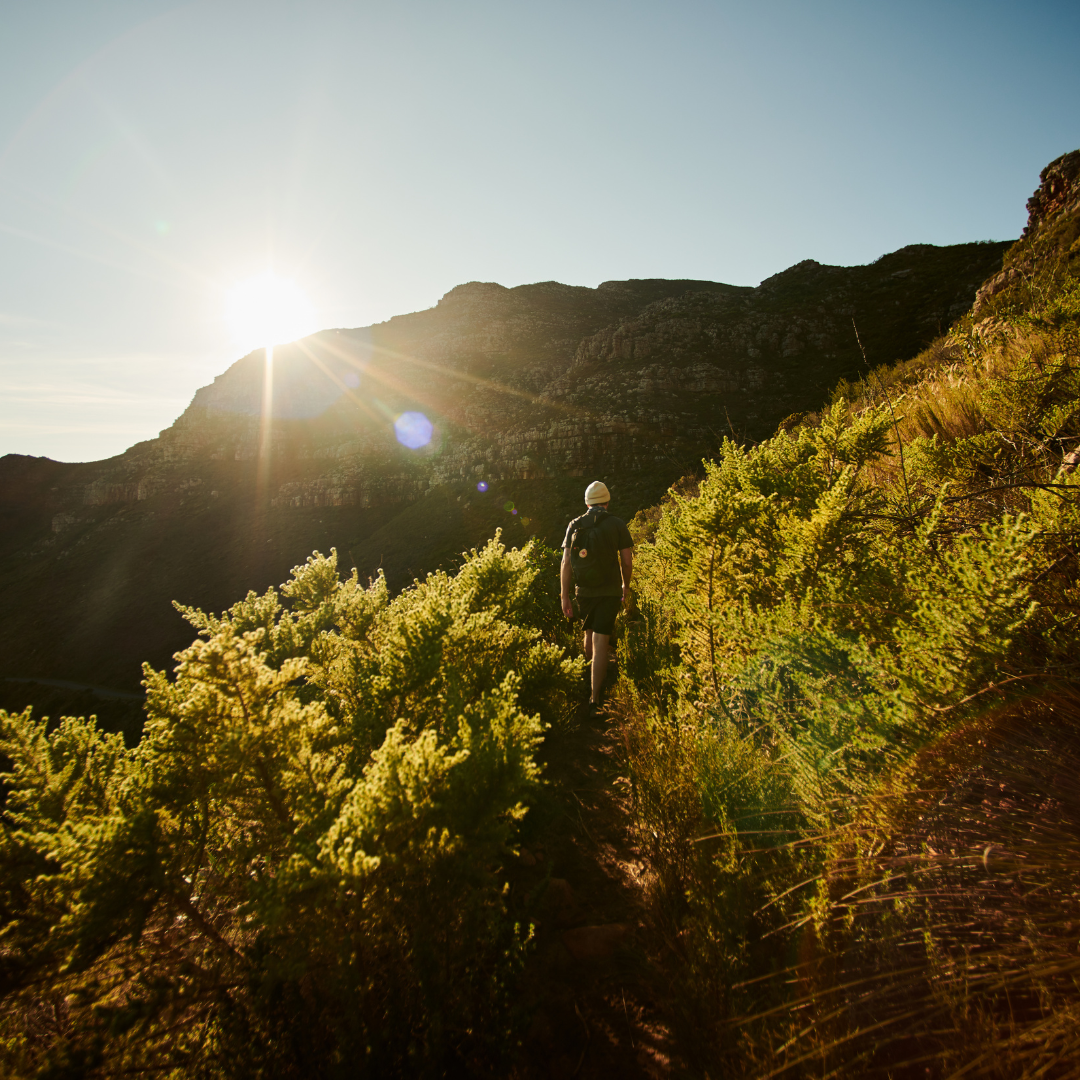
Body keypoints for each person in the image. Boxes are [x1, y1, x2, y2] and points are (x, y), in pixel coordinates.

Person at [561, 480, 634, 708]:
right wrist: (626, 586)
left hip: (583, 591)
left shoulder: (574, 524)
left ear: (587, 502)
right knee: (601, 640)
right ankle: (595, 696)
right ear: (607, 502)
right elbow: (627, 561)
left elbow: (565, 563)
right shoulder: (617, 524)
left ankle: (588, 679)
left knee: (589, 633)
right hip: (610, 590)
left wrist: (564, 596)